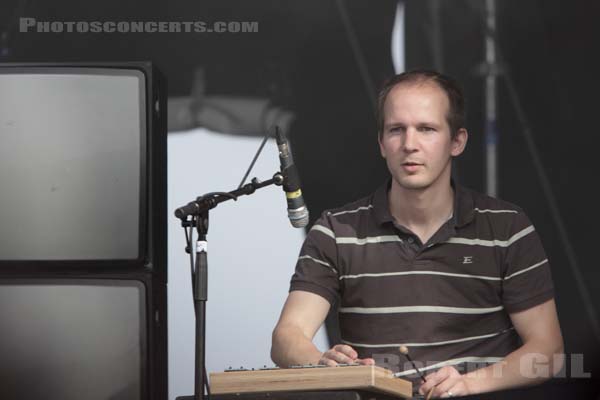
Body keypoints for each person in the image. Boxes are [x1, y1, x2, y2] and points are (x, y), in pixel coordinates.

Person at [270, 70, 564, 398]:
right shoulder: (336, 231)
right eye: (397, 130)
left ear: (457, 141)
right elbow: (286, 337)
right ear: (381, 143)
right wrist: (323, 365)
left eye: (426, 129)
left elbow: (548, 353)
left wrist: (469, 383)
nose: (410, 144)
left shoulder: (507, 227)